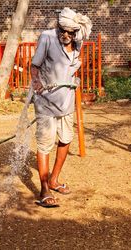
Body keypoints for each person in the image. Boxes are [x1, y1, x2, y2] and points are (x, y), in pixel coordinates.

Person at [31, 7, 92, 207]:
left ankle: (54, 179)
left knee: (65, 139)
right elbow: (35, 66)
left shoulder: (78, 43)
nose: (65, 35)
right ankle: (44, 189)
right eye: (62, 30)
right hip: (46, 101)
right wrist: (36, 83)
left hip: (66, 101)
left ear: (76, 33)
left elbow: (71, 68)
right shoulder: (47, 37)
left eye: (70, 33)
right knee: (45, 144)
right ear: (57, 26)